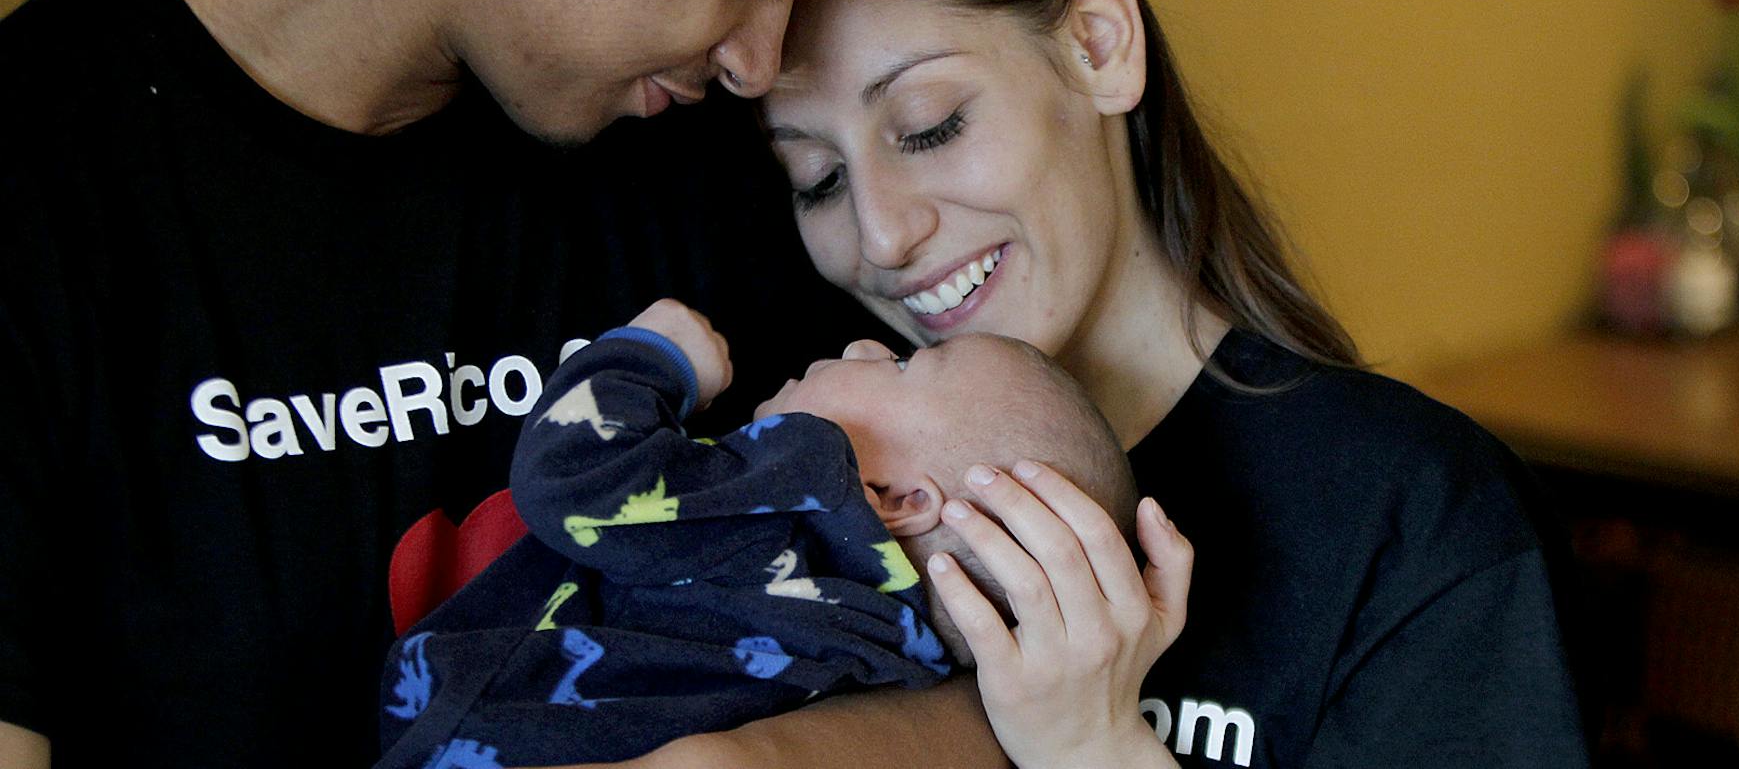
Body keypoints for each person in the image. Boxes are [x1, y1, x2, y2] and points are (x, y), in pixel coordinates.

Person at [0, 0, 974, 766]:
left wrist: (756, 761)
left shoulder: (722, 150)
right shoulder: (35, 208)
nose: (761, 62)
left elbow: (1022, 669)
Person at [760, 0, 1592, 767]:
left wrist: (1095, 748)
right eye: (817, 178)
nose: (881, 233)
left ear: (1096, 41)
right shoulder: (799, 492)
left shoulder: (1414, 524)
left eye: (930, 125)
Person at [377, 298, 1178, 769]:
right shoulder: (899, 659)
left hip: (474, 734)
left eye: (903, 364)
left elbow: (572, 479)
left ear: (895, 497)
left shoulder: (792, 500)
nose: (866, 341)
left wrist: (652, 360)